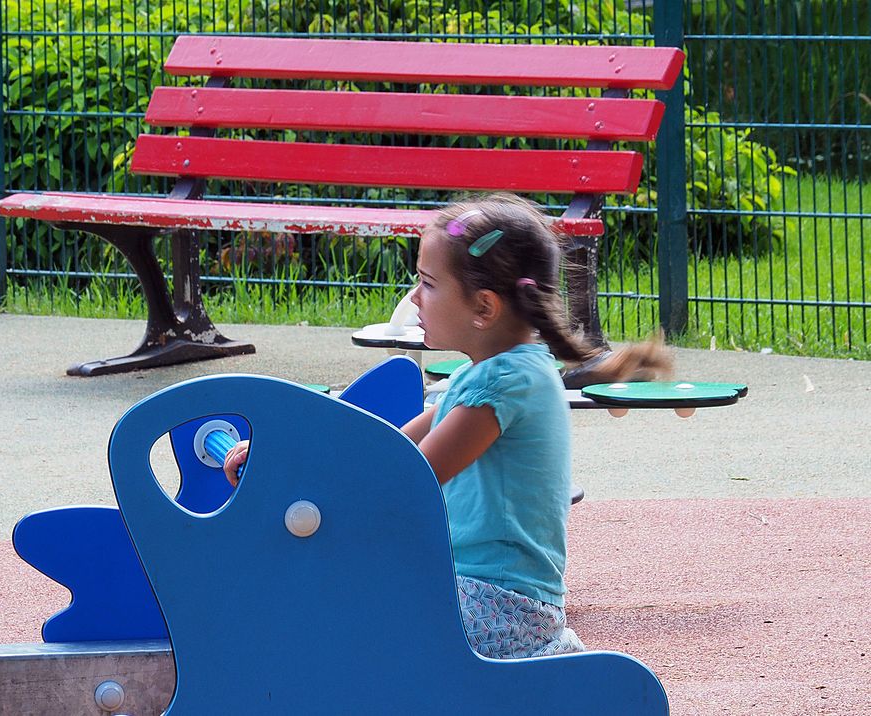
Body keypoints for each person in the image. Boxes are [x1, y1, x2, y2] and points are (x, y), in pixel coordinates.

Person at [225, 192, 672, 659]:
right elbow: (384, 446)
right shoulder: (484, 375)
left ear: (483, 308)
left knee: (339, 605)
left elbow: (407, 476)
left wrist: (306, 484)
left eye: (428, 283)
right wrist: (282, 459)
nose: (414, 297)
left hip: (496, 607)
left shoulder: (501, 384)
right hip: (476, 593)